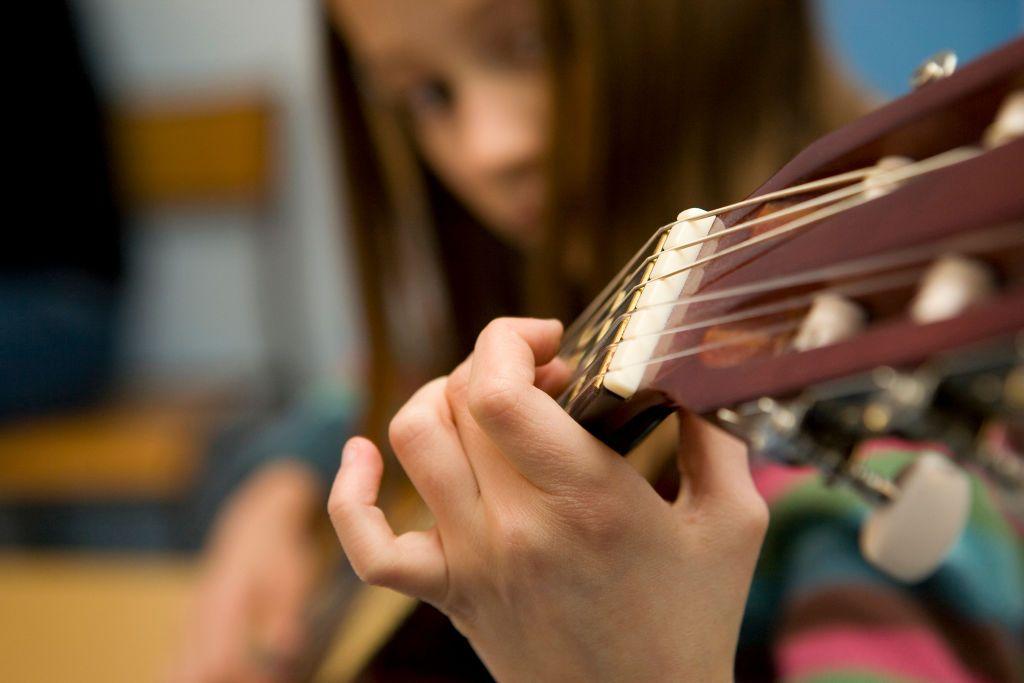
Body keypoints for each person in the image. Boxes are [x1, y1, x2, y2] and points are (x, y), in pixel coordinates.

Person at [175, 1, 1024, 681]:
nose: (489, 147)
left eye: (528, 45)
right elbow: (372, 381)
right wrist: (280, 481)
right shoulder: (562, 289)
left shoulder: (866, 479)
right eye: (426, 96)